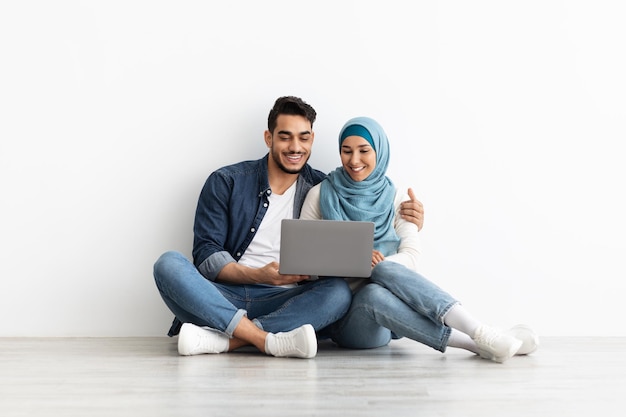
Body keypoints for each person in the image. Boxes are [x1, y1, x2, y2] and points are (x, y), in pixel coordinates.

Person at [153, 97, 425, 359]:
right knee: (168, 265)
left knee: (338, 293)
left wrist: (409, 220)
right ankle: (266, 339)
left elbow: (363, 223)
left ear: (312, 140)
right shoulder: (227, 181)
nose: (295, 147)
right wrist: (258, 275)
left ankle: (228, 339)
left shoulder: (324, 189)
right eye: (285, 136)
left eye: (303, 137)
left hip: (289, 300)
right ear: (269, 138)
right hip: (223, 295)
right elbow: (206, 256)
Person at [300, 116, 539, 363]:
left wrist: (375, 267)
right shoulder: (320, 195)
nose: (354, 160)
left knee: (379, 281)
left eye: (364, 151)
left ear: (380, 151)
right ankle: (478, 340)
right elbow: (303, 263)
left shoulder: (398, 198)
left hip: (389, 314)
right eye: (346, 151)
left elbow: (411, 256)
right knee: (373, 291)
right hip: (347, 323)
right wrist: (353, 259)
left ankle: (481, 334)